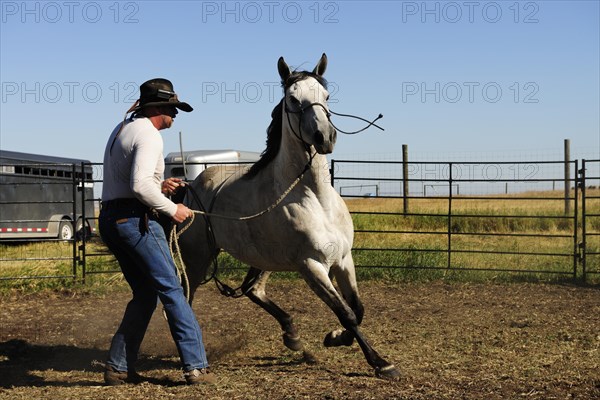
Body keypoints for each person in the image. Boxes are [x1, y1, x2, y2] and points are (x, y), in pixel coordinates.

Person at [99, 78, 215, 386]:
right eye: (173, 109)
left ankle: (118, 367)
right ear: (158, 108)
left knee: (145, 294)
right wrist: (172, 208)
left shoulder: (122, 129)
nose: (176, 116)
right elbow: (139, 186)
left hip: (112, 219)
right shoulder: (149, 135)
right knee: (173, 290)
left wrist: (160, 189)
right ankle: (195, 366)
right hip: (136, 221)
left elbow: (131, 183)